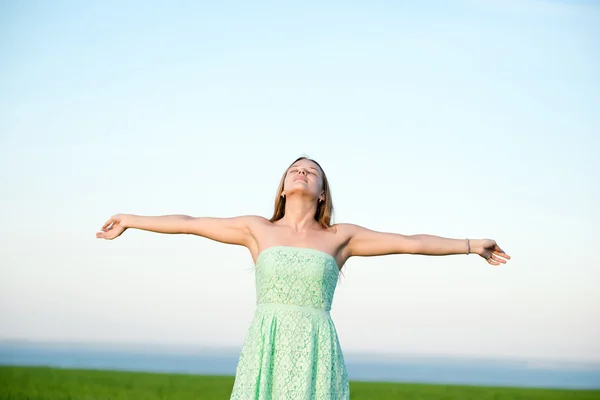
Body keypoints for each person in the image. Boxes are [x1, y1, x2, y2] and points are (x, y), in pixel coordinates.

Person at [96, 156, 510, 399]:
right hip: (267, 344)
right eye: (294, 168)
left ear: (322, 192)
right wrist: (130, 220)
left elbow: (409, 242)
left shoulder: (340, 237)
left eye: (311, 171)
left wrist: (472, 245)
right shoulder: (256, 229)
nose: (301, 172)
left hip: (317, 347)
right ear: (281, 188)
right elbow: (189, 222)